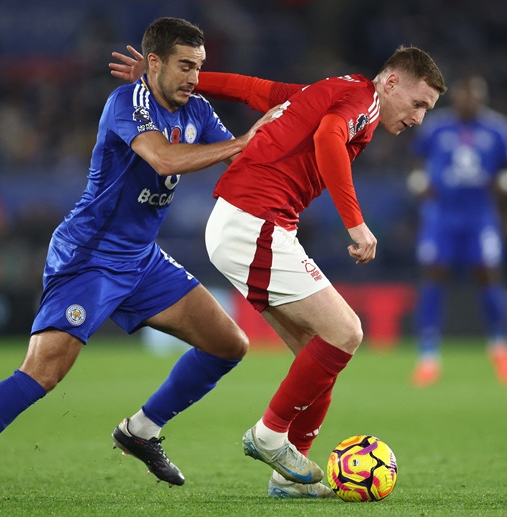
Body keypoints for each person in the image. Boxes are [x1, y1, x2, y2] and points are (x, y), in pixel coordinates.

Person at [0, 17, 275, 502]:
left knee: (229, 343)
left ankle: (141, 430)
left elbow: (241, 160)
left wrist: (293, 136)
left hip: (142, 260)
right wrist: (246, 140)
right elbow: (164, 160)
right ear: (154, 63)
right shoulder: (127, 102)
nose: (195, 77)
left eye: (200, 67)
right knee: (43, 372)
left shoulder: (198, 109)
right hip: (89, 257)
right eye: (185, 66)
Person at [110, 44, 446, 498]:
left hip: (248, 223)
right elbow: (329, 139)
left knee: (318, 357)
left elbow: (253, 90)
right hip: (255, 221)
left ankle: (288, 479)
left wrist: (174, 83)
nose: (418, 118)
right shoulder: (362, 102)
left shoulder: (333, 89)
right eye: (418, 103)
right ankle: (270, 435)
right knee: (347, 332)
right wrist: (356, 223)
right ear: (390, 83)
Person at [406, 74, 507, 387]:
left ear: (483, 98)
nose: (470, 100)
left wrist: (506, 183)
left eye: (476, 95)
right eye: (465, 94)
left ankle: (500, 347)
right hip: (441, 216)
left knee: (487, 274)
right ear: (455, 96)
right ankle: (428, 356)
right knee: (434, 275)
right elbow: (416, 163)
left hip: (480, 217)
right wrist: (418, 183)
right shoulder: (436, 127)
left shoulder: (498, 129)